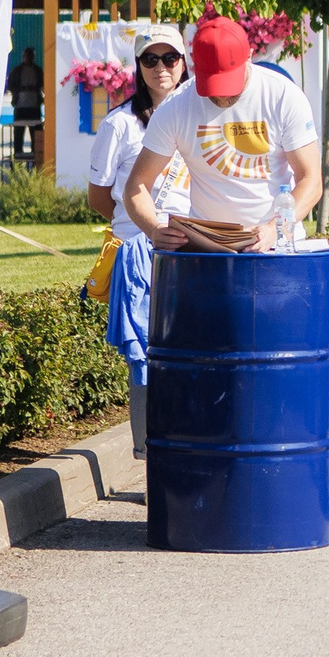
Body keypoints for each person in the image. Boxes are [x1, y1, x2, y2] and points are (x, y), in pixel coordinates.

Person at [125, 15, 324, 250]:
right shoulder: (176, 107)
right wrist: (154, 229)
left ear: (249, 57)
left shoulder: (283, 97)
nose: (220, 96)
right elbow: (136, 185)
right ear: (193, 65)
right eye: (211, 85)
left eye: (228, 83)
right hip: (207, 247)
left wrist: (274, 229)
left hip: (276, 243)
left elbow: (311, 179)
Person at [85, 25, 192, 456]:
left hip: (194, 251)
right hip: (140, 256)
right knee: (147, 362)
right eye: (151, 60)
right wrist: (142, 227)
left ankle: (187, 450)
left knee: (191, 354)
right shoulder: (120, 124)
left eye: (170, 59)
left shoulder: (200, 116)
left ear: (184, 64)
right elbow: (99, 196)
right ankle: (151, 460)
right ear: (138, 67)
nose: (161, 68)